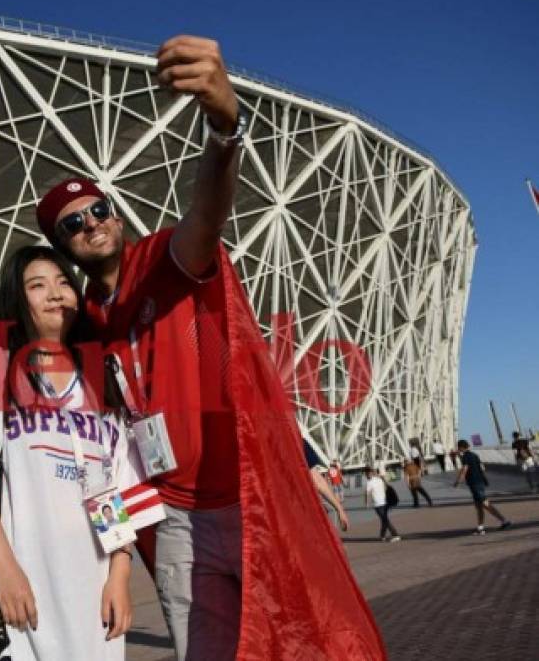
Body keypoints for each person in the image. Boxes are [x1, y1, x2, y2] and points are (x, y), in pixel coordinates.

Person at [35, 35, 385, 660]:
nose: (93, 223)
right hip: (172, 523)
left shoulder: (166, 260)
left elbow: (207, 215)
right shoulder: (82, 322)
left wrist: (224, 129)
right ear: (63, 247)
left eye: (100, 210)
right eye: (74, 224)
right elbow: (93, 440)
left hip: (247, 503)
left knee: (306, 640)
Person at [0, 245, 165, 660]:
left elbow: (109, 488)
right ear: (16, 298)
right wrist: (5, 568)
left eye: (64, 282)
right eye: (38, 285)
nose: (55, 293)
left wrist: (119, 573)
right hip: (16, 585)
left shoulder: (99, 381)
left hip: (90, 591)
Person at [454, 440, 512, 535]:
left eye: (458, 447)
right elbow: (482, 467)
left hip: (474, 483)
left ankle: (504, 521)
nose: (458, 449)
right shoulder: (474, 455)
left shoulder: (466, 457)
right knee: (479, 506)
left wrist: (458, 481)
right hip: (479, 481)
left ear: (461, 447)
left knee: (484, 503)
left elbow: (464, 469)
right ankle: (480, 527)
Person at [305, 444, 350, 531]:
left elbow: (318, 480)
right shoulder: (298, 442)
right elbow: (318, 480)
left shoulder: (297, 442)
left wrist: (339, 508)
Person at [364, 468, 401, 542]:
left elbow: (367, 493)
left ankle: (395, 535)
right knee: (384, 520)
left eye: (368, 473)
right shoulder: (379, 479)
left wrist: (367, 503)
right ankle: (382, 536)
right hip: (383, 503)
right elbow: (386, 487)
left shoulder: (370, 482)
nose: (368, 475)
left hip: (379, 504)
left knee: (385, 520)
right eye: (367, 473)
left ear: (370, 473)